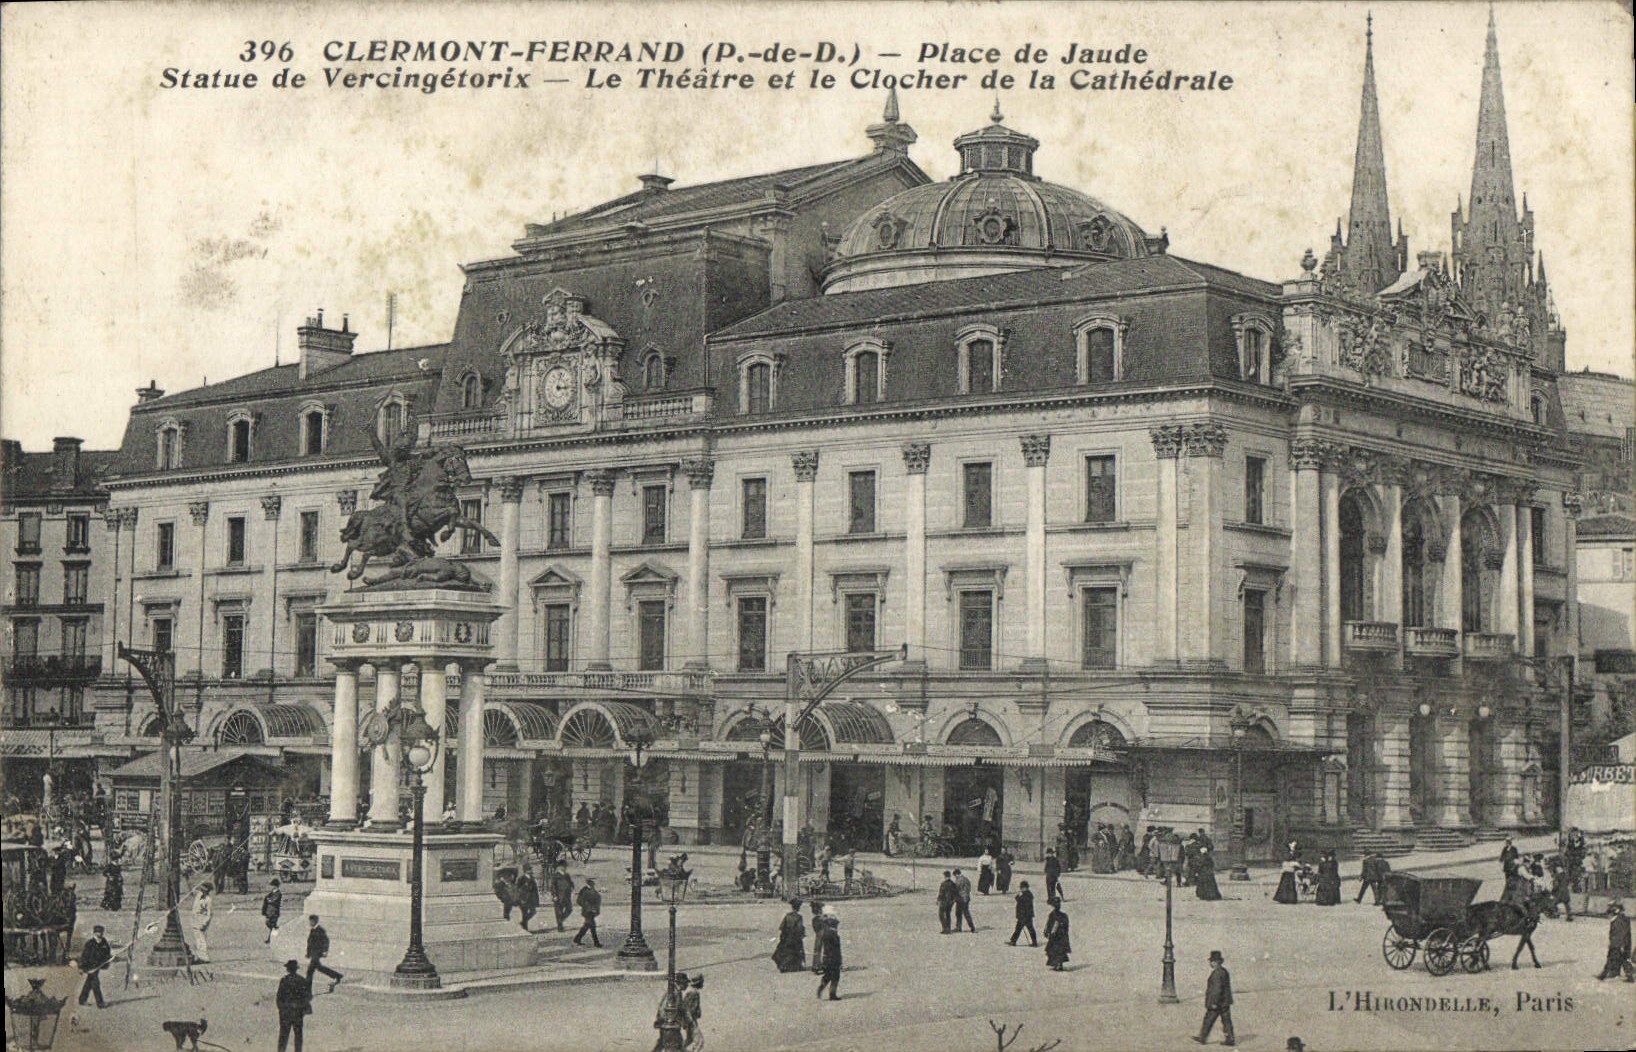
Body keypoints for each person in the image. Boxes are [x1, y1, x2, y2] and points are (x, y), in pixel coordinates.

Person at [1195, 950, 1235, 1046]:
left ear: (1216, 962)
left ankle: (1202, 1037)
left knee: (1209, 1019)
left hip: (1217, 1003)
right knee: (1226, 1021)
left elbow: (1216, 990)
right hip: (1225, 1001)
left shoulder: (1217, 973)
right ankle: (1230, 1039)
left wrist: (1213, 1002)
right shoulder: (1224, 971)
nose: (1210, 963)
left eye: (1211, 961)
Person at [276, 959, 313, 1052]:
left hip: (286, 1013)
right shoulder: (302, 980)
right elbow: (308, 997)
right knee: (298, 1036)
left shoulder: (284, 980)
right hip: (297, 1013)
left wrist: (282, 1009)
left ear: (288, 969)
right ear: (296, 969)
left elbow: (279, 998)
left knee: (283, 1036)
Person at [76, 925, 112, 1009]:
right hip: (90, 966)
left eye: (101, 932)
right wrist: (81, 967)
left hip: (98, 966)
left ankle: (82, 999)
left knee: (89, 982)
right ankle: (100, 1003)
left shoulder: (104, 942)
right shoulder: (90, 943)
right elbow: (84, 956)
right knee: (95, 983)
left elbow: (107, 953)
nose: (99, 934)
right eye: (97, 932)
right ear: (94, 933)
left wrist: (107, 961)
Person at [305, 915, 343, 991]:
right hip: (313, 953)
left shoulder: (320, 930)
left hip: (317, 953)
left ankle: (307, 990)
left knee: (310, 971)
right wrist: (308, 953)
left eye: (311, 921)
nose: (310, 923)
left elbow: (326, 941)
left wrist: (325, 951)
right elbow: (310, 943)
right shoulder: (313, 930)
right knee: (320, 968)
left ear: (314, 921)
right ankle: (337, 975)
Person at [1597, 900, 1633, 981]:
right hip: (1623, 944)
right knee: (1624, 960)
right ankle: (1628, 976)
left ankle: (1603, 975)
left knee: (1612, 959)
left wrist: (1618, 945)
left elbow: (1619, 934)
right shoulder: (1623, 919)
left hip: (1618, 945)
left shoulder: (1619, 921)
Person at [815, 910, 842, 1001]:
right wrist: (840, 960)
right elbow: (837, 949)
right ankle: (832, 994)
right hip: (834, 958)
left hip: (826, 958)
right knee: (835, 976)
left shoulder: (826, 933)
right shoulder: (834, 935)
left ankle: (821, 987)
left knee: (827, 975)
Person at [773, 899, 806, 972]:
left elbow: (782, 927)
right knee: (797, 950)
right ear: (798, 908)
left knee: (786, 951)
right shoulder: (799, 917)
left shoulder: (787, 916)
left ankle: (784, 966)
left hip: (787, 936)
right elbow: (799, 928)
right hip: (795, 937)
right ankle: (796, 966)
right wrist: (802, 934)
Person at [573, 877, 602, 947]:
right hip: (587, 912)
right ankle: (596, 943)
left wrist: (596, 909)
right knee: (592, 926)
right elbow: (579, 901)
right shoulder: (584, 890)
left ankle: (577, 938)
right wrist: (588, 907)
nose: (593, 883)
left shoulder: (593, 890)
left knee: (587, 926)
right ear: (589, 882)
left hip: (592, 911)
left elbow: (597, 900)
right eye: (592, 882)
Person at [1043, 897, 1070, 971]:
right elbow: (1049, 924)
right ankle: (1057, 964)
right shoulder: (1055, 915)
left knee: (1058, 951)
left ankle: (1058, 964)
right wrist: (1047, 932)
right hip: (1056, 936)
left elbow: (1064, 926)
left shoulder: (1057, 915)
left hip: (1058, 937)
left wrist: (1048, 932)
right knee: (1054, 951)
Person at [1009, 880, 1038, 947]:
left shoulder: (1027, 895)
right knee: (1021, 928)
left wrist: (1019, 896)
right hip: (1025, 915)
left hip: (1025, 916)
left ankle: (1014, 941)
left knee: (1025, 929)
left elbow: (1020, 901)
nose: (1021, 889)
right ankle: (1013, 941)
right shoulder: (1026, 894)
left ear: (1026, 888)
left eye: (1022, 888)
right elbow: (1017, 899)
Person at [191, 883, 214, 962]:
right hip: (196, 918)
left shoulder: (208, 900)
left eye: (203, 889)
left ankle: (204, 957)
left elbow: (209, 913)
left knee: (202, 939)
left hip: (202, 919)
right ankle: (199, 956)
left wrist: (205, 923)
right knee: (197, 939)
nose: (201, 890)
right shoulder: (198, 896)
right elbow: (193, 890)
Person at [549, 862, 576, 932]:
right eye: (564, 867)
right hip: (559, 896)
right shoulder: (555, 876)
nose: (565, 868)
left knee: (569, 909)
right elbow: (552, 886)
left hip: (567, 896)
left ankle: (560, 920)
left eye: (565, 867)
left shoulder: (567, 875)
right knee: (559, 912)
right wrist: (554, 895)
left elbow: (571, 883)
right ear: (559, 867)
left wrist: (572, 887)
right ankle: (560, 927)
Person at [513, 866, 540, 931]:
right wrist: (519, 899)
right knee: (524, 913)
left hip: (531, 899)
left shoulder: (532, 879)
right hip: (523, 899)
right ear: (525, 871)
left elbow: (535, 890)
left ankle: (523, 922)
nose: (531, 871)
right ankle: (525, 928)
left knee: (533, 912)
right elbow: (517, 890)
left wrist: (536, 900)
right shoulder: (521, 879)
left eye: (531, 869)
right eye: (529, 870)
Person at [682, 973, 704, 1049]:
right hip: (690, 1020)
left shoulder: (691, 991)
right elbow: (687, 1008)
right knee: (699, 1041)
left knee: (689, 1039)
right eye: (702, 982)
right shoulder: (693, 993)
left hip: (689, 1019)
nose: (703, 984)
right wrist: (690, 1022)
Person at [262, 879, 283, 944]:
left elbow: (273, 900)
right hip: (269, 911)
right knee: (270, 924)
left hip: (274, 911)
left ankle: (271, 938)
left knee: (271, 924)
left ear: (275, 886)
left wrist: (268, 899)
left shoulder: (278, 893)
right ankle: (274, 933)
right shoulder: (272, 892)